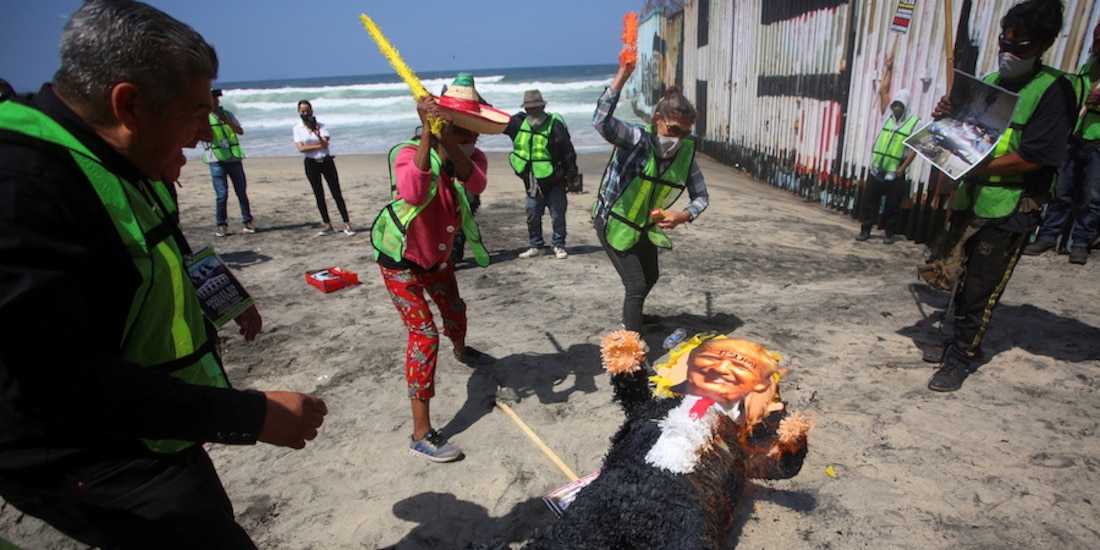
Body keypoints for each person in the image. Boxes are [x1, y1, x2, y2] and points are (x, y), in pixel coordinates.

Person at [0, 2, 328, 548]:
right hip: (87, 447)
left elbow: (165, 247)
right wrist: (249, 415)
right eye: (198, 112)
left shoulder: (117, 157)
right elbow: (57, 379)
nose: (206, 135)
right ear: (128, 104)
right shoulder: (22, 186)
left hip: (156, 421)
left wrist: (228, 300)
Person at [926, 0, 1075, 392]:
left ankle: (960, 357)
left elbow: (1037, 157)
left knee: (982, 288)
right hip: (972, 199)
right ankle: (952, 341)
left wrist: (976, 169)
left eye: (1020, 46)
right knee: (956, 273)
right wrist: (947, 115)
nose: (1008, 53)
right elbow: (965, 133)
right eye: (1004, 42)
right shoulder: (989, 81)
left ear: (1043, 44)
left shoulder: (1054, 90)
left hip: (1010, 207)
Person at [370, 73, 508, 462]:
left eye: (473, 135)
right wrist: (431, 138)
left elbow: (475, 184)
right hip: (400, 260)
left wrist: (451, 141)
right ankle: (420, 433)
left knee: (455, 312)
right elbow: (413, 191)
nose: (472, 142)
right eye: (465, 134)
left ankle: (462, 350)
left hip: (437, 258)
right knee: (424, 335)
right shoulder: (407, 152)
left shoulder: (471, 156)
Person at [592, 58, 710, 341]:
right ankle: (632, 349)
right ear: (658, 119)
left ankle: (633, 316)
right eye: (673, 130)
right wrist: (623, 75)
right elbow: (601, 122)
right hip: (613, 221)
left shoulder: (684, 154)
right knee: (635, 284)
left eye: (685, 132)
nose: (678, 138)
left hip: (643, 225)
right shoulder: (636, 139)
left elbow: (701, 196)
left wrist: (684, 215)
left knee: (650, 277)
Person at [1022, 21, 1100, 265]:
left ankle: (1080, 242)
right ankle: (1047, 236)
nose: (1097, 46)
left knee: (1091, 197)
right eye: (1096, 41)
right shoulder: (1086, 70)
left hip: (1097, 143)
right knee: (1061, 192)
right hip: (1075, 139)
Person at [504, 89, 579, 259]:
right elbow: (495, 121)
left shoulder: (555, 125)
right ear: (526, 110)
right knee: (532, 214)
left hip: (556, 179)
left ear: (543, 107)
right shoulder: (517, 123)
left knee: (558, 215)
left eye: (537, 107)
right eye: (531, 109)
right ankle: (536, 245)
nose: (534, 111)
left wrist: (571, 177)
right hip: (532, 181)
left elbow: (568, 152)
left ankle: (558, 245)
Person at [857, 55, 920, 244]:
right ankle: (866, 229)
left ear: (906, 106)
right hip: (878, 168)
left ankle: (889, 233)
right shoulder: (887, 117)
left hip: (896, 170)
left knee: (893, 205)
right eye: (895, 104)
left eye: (900, 105)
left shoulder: (914, 124)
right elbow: (884, 91)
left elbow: (915, 148)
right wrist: (889, 68)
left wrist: (903, 168)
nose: (897, 107)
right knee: (870, 202)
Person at [294, 99, 355, 236]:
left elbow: (325, 144)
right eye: (303, 111)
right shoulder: (297, 128)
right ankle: (327, 224)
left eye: (307, 111)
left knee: (336, 193)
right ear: (299, 112)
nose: (305, 113)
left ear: (312, 111)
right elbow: (301, 148)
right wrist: (317, 146)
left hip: (326, 161)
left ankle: (347, 223)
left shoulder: (321, 126)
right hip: (311, 163)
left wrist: (316, 135)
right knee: (319, 194)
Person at [203, 88, 255, 237]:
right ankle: (221, 224)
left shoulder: (228, 115)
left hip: (234, 158)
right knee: (222, 194)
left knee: (241, 192)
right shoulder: (204, 118)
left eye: (217, 99)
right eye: (213, 99)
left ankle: (247, 220)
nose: (216, 102)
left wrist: (226, 121)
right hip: (216, 160)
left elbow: (240, 131)